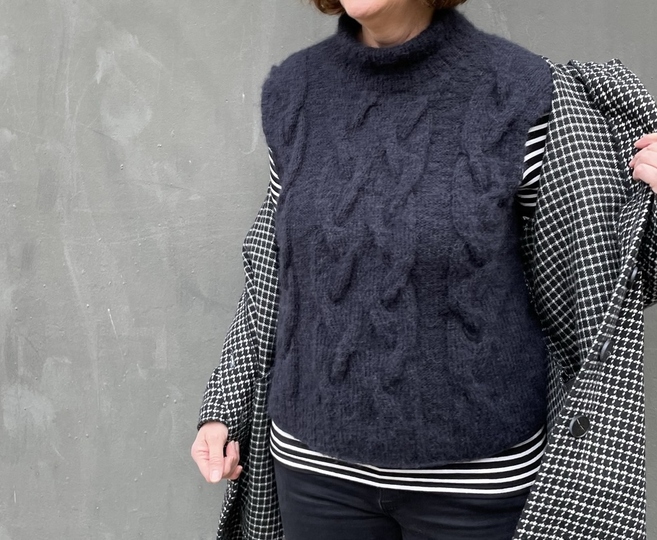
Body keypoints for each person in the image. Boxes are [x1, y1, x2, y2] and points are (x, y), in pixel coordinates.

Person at [191, 1, 657, 539]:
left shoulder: (521, 93)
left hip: (476, 487)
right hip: (314, 475)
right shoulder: (294, 90)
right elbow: (276, 273)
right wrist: (224, 405)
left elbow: (604, 284)